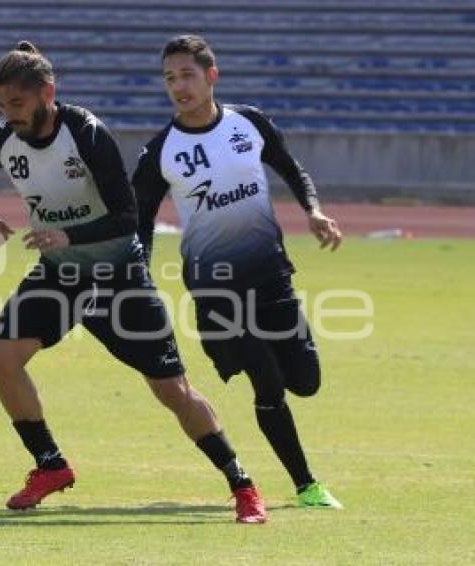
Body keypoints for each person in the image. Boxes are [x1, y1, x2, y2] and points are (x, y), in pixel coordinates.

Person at [0, 41, 267, 523]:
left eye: (16, 104)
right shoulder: (2, 140)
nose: (8, 115)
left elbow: (126, 216)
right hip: (61, 274)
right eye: (1, 106)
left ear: (47, 93)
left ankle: (241, 483)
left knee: (172, 391)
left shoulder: (87, 133)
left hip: (120, 277)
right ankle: (50, 465)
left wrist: (65, 233)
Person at [133, 34, 344, 509]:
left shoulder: (247, 123)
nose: (178, 86)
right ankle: (307, 485)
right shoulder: (160, 152)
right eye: (170, 78)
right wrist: (138, 279)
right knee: (266, 380)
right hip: (215, 289)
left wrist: (312, 210)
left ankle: (300, 471)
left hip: (271, 276)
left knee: (305, 381)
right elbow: (139, 221)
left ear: (211, 76)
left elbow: (291, 168)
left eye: (187, 75)